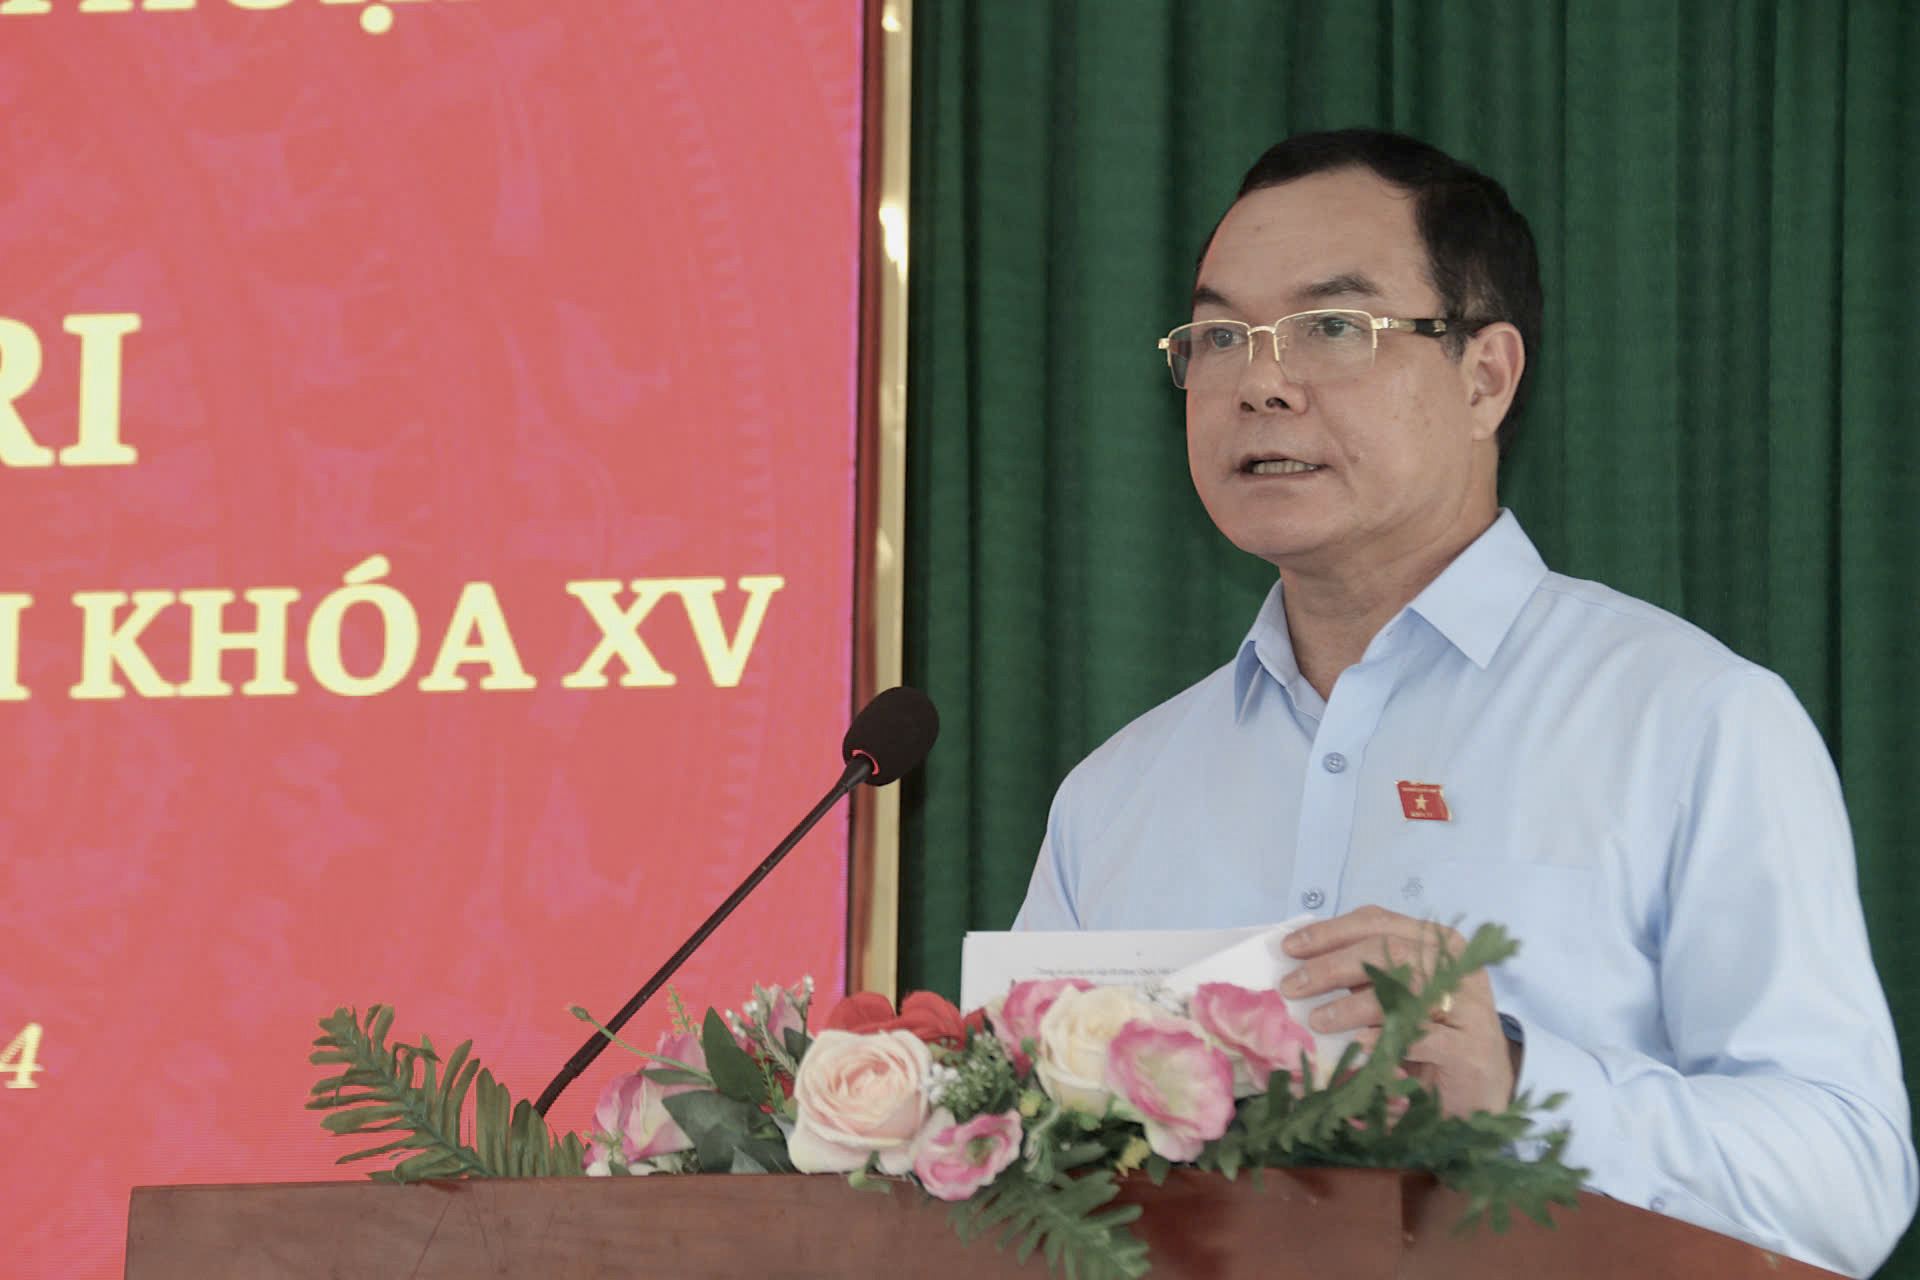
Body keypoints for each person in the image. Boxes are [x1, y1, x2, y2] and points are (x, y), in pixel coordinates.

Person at [1011, 129, 1915, 1277]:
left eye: (1333, 327)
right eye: (1221, 335)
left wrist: (1522, 1081)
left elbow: (1846, 1179)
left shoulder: (1691, 720)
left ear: (1486, 374)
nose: (1261, 380)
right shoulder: (1116, 794)